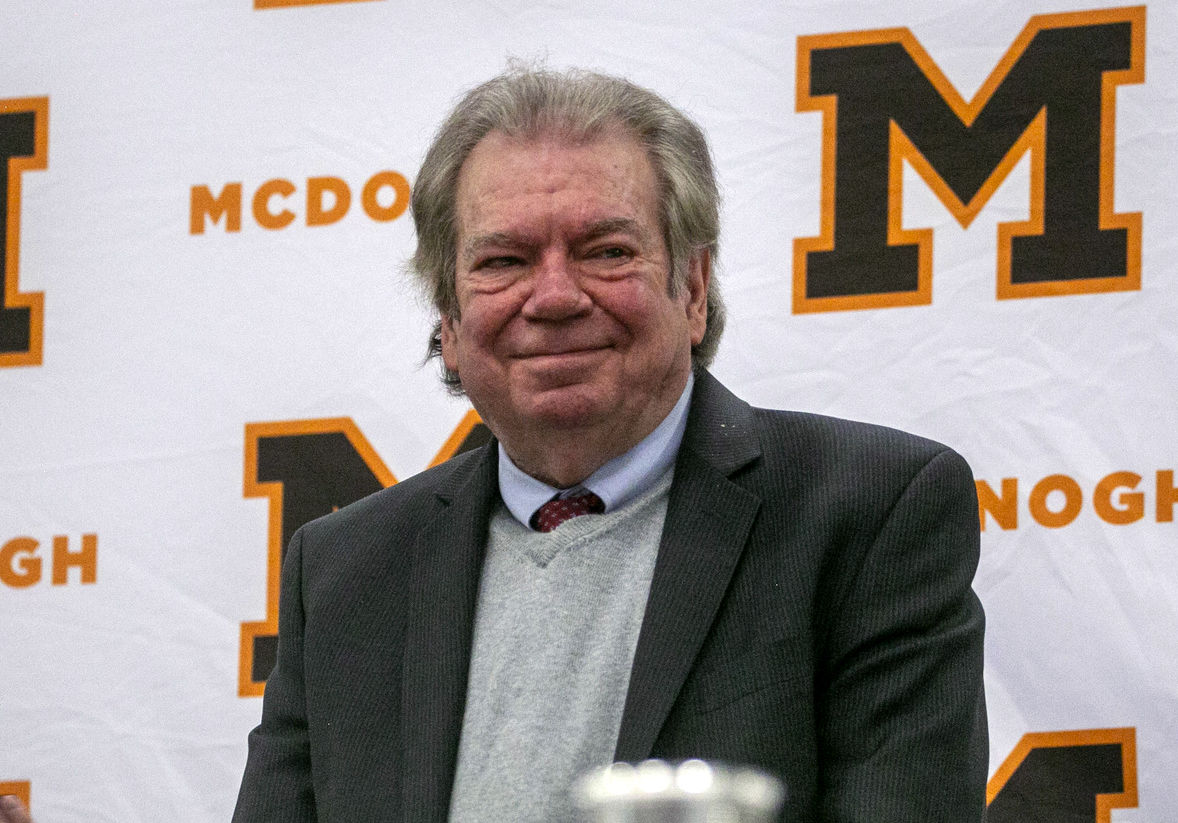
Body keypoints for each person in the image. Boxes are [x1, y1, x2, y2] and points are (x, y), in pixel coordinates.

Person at [232, 66, 988, 822]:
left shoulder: (869, 515)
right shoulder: (342, 575)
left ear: (694, 289)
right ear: (450, 322)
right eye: (503, 261)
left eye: (606, 251)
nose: (555, 297)